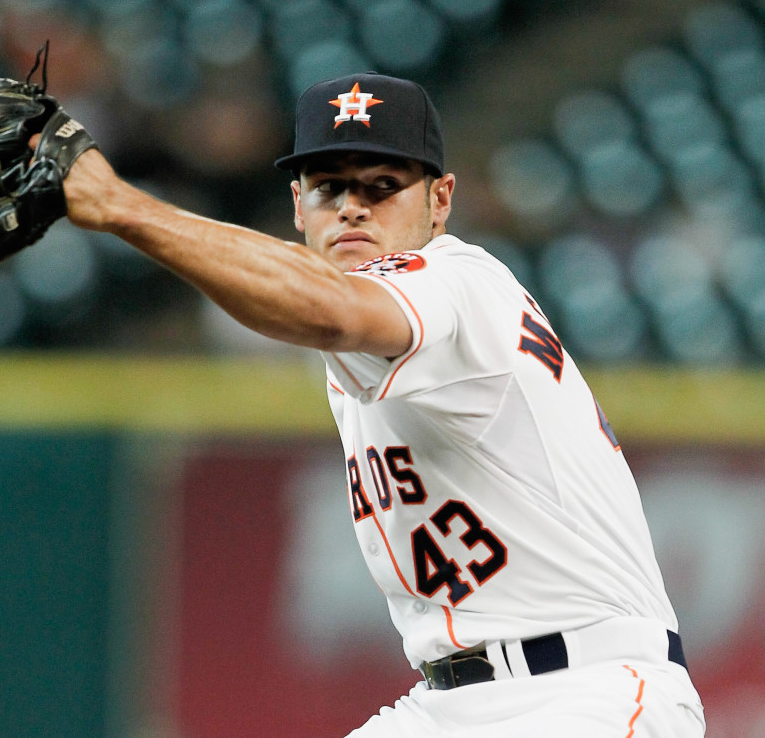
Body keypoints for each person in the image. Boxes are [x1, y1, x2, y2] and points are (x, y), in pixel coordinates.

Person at [56, 72, 705, 737]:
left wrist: (118, 204)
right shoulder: (370, 326)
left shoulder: (455, 283)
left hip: (581, 692)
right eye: (329, 186)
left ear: (441, 199)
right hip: (451, 702)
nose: (353, 207)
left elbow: (329, 307)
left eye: (382, 185)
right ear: (297, 206)